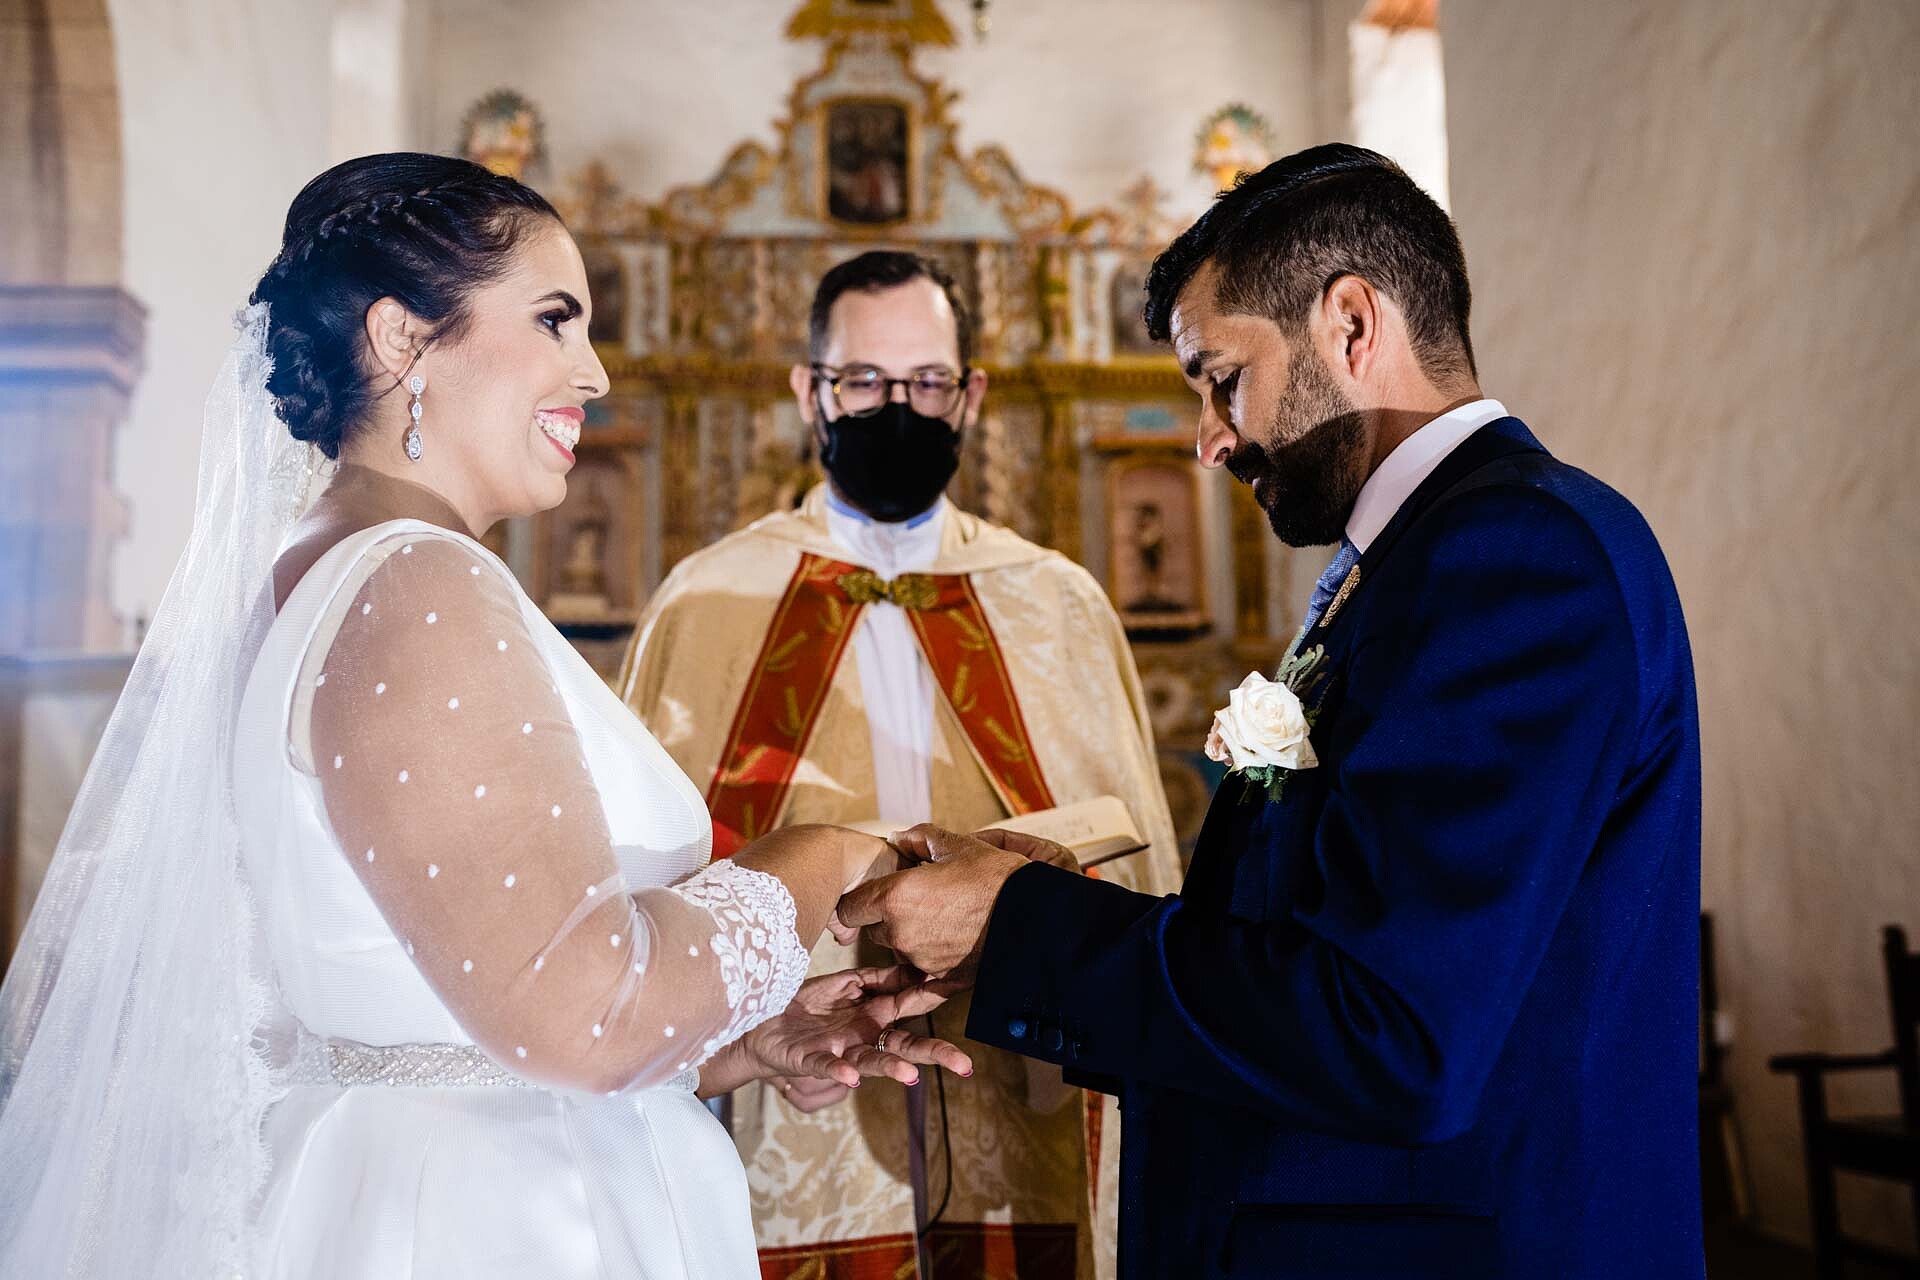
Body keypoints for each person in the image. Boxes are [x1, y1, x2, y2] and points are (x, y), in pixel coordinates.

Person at [0, 153, 973, 1279]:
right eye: (556, 319)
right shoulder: (415, 584)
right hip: (502, 1221)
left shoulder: (323, 569)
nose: (595, 373)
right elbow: (586, 1017)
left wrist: (744, 1038)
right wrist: (823, 853)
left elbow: (439, 1008)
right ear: (402, 339)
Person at [838, 145, 1704, 1278]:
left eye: (1221, 376)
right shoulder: (1414, 555)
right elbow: (1327, 919)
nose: (1209, 438)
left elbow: (1391, 1030)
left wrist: (1022, 922)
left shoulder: (1516, 556)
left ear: (1351, 323)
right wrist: (1024, 902)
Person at [618, 250, 1181, 1278]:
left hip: (1021, 1067)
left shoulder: (1054, 602)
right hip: (791, 1074)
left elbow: (1138, 862)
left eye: (927, 382)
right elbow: (645, 884)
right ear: (808, 391)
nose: (897, 408)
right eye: (863, 382)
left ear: (969, 395)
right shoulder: (706, 602)